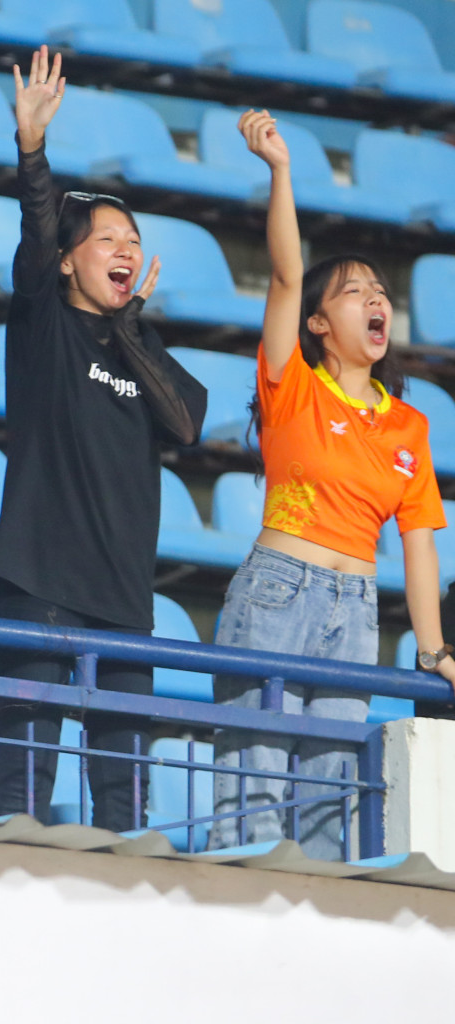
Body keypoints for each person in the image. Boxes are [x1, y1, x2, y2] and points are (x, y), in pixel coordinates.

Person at [206, 111, 453, 859]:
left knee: (326, 802)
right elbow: (285, 273)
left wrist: (433, 651)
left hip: (356, 612)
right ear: (317, 322)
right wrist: (281, 172)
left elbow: (417, 544)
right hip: (278, 588)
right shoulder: (293, 389)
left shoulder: (410, 426)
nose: (375, 300)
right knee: (255, 793)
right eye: (353, 293)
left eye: (380, 291)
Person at [0, 47, 208, 831]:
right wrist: (33, 152)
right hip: (38, 587)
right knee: (24, 794)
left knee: (126, 806)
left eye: (132, 240)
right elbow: (38, 227)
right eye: (106, 239)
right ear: (68, 261)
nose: (124, 249)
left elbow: (185, 423)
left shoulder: (143, 354)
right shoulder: (42, 321)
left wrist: (130, 328)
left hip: (122, 605)